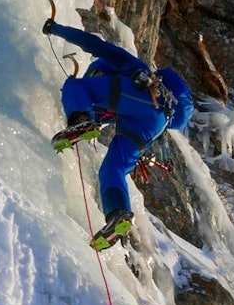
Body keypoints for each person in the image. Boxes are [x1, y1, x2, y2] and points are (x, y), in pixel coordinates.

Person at [43, 17, 193, 250]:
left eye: (96, 77)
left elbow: (92, 44)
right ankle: (118, 214)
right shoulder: (125, 100)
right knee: (112, 169)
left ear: (100, 72)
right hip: (151, 125)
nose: (97, 82)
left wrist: (56, 28)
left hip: (148, 99)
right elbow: (107, 113)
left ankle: (81, 120)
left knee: (76, 87)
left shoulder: (129, 67)